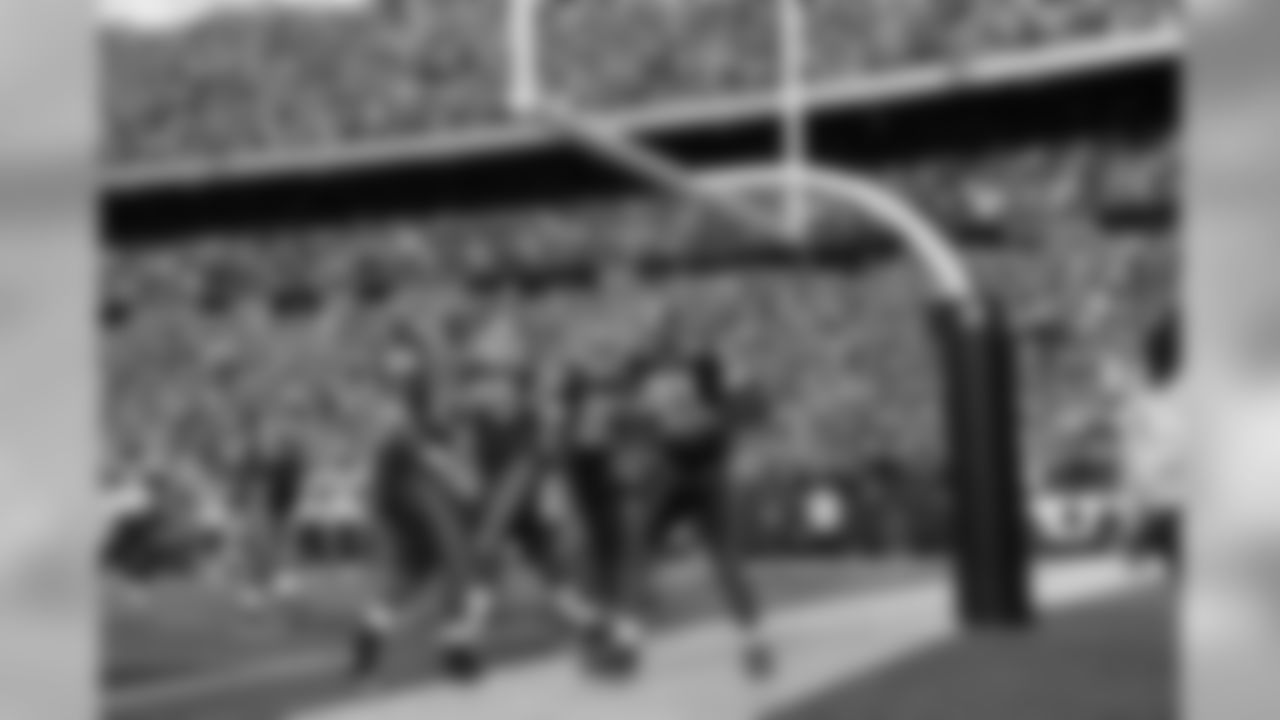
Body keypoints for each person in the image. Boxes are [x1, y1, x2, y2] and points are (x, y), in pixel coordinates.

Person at [583, 324, 773, 679]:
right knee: (657, 555)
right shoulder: (689, 377)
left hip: (690, 475)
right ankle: (752, 643)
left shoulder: (697, 375)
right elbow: (748, 410)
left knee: (709, 558)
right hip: (682, 473)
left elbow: (749, 409)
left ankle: (751, 642)